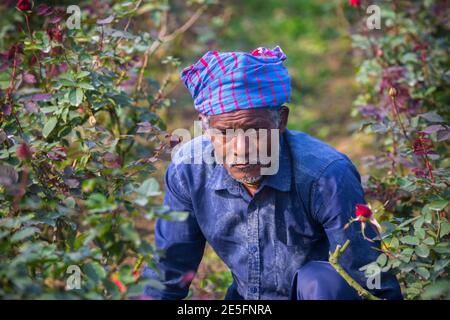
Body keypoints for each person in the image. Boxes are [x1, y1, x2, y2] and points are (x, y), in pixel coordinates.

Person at [142, 46, 402, 300]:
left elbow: (369, 277)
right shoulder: (189, 171)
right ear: (206, 128)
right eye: (224, 133)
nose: (241, 149)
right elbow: (168, 269)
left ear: (281, 121)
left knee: (321, 282)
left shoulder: (326, 176)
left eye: (255, 131)